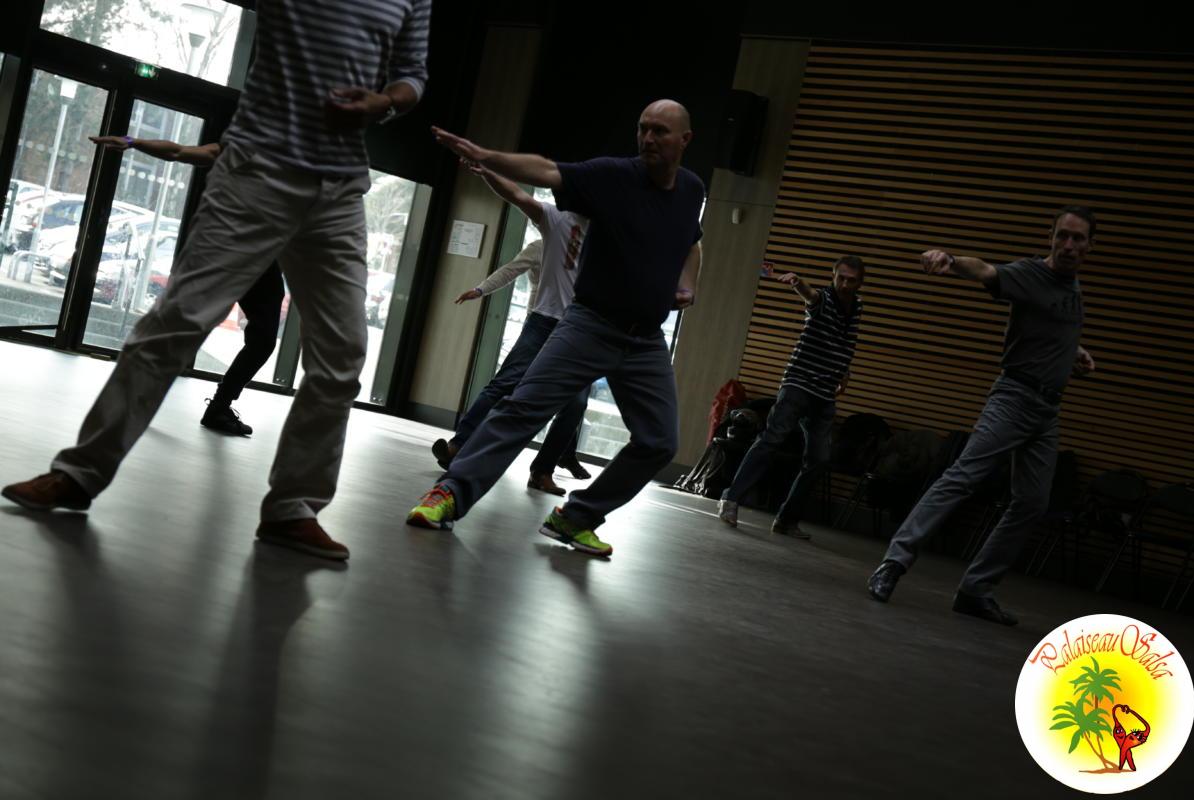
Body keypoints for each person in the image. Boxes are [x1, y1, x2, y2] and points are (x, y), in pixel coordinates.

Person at [2, 0, 431, 562]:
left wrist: (385, 102)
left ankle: (292, 510)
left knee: (343, 354)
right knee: (177, 320)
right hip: (256, 171)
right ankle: (80, 473)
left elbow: (412, 74)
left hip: (339, 190)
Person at [407, 99, 704, 557]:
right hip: (590, 325)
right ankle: (448, 493)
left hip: (646, 340)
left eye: (660, 131)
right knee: (521, 408)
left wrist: (688, 284)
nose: (648, 138)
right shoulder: (614, 175)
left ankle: (576, 517)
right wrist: (486, 157)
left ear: (685, 139)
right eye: (642, 128)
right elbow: (545, 171)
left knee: (659, 442)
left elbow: (692, 244)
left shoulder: (691, 190)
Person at [866, 206, 1097, 624]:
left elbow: (1051, 326)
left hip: (1047, 411)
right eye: (1062, 235)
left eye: (1077, 238)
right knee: (963, 476)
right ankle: (893, 563)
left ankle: (975, 590)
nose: (1068, 245)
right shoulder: (1031, 273)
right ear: (1050, 237)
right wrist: (952, 260)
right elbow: (987, 271)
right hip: (1014, 398)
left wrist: (1073, 353)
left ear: (1088, 246)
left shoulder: (1073, 288)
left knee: (1032, 502)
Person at [88, 135, 283, 437]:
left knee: (264, 340)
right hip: (227, 253)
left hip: (263, 262)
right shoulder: (242, 151)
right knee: (186, 329)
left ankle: (219, 407)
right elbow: (179, 151)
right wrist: (132, 141)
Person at [432, 162, 593, 495]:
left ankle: (543, 470)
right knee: (505, 382)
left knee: (576, 404)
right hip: (543, 321)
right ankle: (458, 445)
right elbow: (518, 202)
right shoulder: (553, 226)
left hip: (579, 330)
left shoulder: (604, 234)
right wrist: (480, 289)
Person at [716, 256, 864, 537]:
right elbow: (811, 296)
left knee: (819, 459)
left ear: (860, 283)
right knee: (771, 439)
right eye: (840, 278)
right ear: (833, 276)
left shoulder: (857, 307)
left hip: (824, 394)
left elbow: (846, 342)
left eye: (851, 280)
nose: (844, 284)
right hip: (798, 385)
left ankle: (786, 519)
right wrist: (798, 283)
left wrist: (844, 372)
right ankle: (730, 499)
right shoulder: (824, 299)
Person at [1111, 704, 1150, 771]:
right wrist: (1130, 711)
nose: (1120, 733)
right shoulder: (1124, 738)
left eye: (1138, 736)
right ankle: (1128, 767)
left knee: (1124, 749)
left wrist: (1131, 711)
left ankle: (1122, 766)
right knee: (1125, 750)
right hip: (1131, 740)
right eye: (1118, 731)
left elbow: (1145, 724)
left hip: (1133, 740)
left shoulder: (1143, 734)